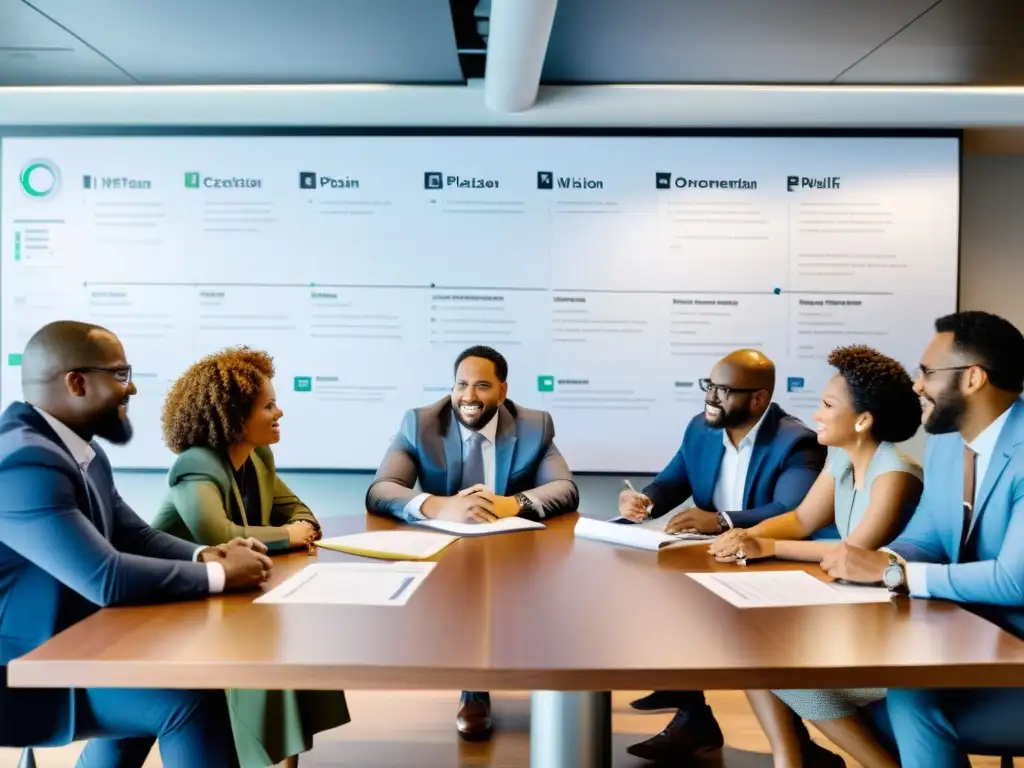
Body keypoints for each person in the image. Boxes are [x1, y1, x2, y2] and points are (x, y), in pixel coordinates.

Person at [0, 321, 271, 768]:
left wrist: (206, 554)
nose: (133, 389)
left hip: (80, 645)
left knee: (164, 677)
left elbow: (134, 534)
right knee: (189, 701)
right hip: (26, 668)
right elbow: (105, 578)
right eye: (121, 375)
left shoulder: (78, 449)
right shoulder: (25, 461)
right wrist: (220, 575)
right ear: (76, 382)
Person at [820, 311, 1024, 768]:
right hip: (971, 636)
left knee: (910, 694)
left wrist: (897, 573)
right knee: (873, 683)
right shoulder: (949, 444)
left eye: (927, 373)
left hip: (1014, 647)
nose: (916, 385)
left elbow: (1015, 581)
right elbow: (927, 535)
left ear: (972, 378)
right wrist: (871, 563)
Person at [710, 345, 923, 768]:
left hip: (896, 638)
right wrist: (744, 534)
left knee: (777, 666)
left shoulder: (896, 472)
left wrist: (766, 546)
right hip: (857, 617)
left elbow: (855, 553)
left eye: (827, 405)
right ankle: (790, 758)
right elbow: (803, 519)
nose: (817, 415)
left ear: (863, 420)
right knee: (751, 643)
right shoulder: (843, 455)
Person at [621, 349, 828, 764]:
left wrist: (720, 520)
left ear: (758, 399)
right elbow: (671, 480)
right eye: (709, 386)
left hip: (768, 563)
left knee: (736, 638)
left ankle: (798, 750)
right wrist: (644, 500)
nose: (710, 398)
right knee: (649, 593)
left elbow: (791, 511)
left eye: (723, 390)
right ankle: (693, 717)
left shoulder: (795, 441)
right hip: (708, 557)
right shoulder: (701, 429)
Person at [148, 347, 351, 768]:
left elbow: (299, 513)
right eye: (269, 405)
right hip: (176, 603)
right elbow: (216, 535)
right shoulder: (196, 465)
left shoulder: (257, 456)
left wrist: (297, 531)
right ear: (234, 416)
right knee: (270, 643)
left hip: (231, 592)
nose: (280, 413)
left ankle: (281, 757)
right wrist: (289, 537)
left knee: (294, 636)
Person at [366, 344, 578, 741]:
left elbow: (565, 488)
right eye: (461, 384)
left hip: (511, 548)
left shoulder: (535, 426)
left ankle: (557, 692)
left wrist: (512, 504)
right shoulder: (420, 423)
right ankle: (474, 690)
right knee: (465, 602)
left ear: (502, 390)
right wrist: (440, 506)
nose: (469, 396)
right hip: (447, 550)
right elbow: (381, 490)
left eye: (482, 385)